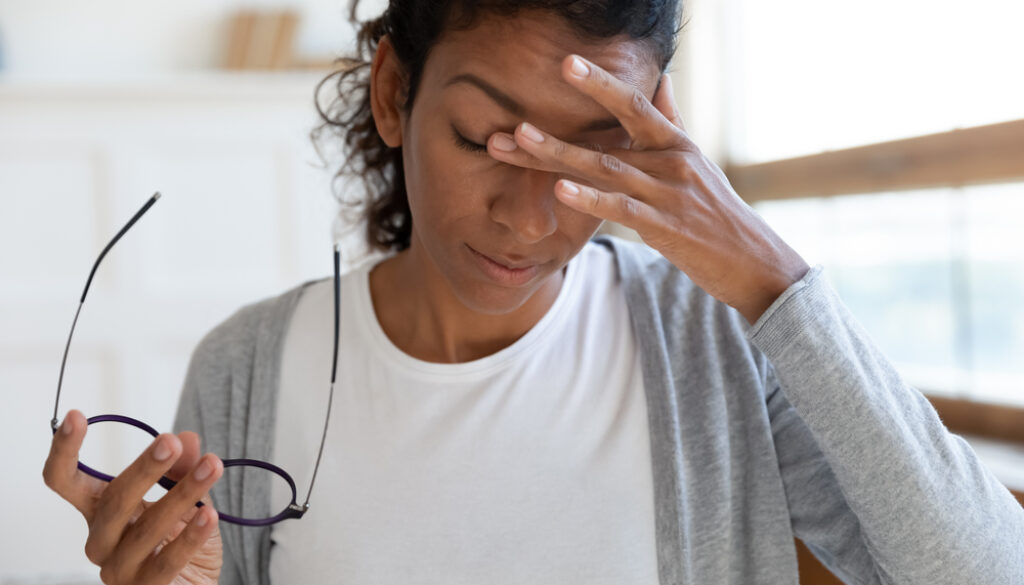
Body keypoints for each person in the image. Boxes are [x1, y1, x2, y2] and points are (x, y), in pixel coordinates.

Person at [43, 1, 1024, 584]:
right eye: (481, 141)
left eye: (588, 156)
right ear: (393, 94)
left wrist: (772, 279)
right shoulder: (247, 368)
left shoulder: (719, 346)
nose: (527, 219)